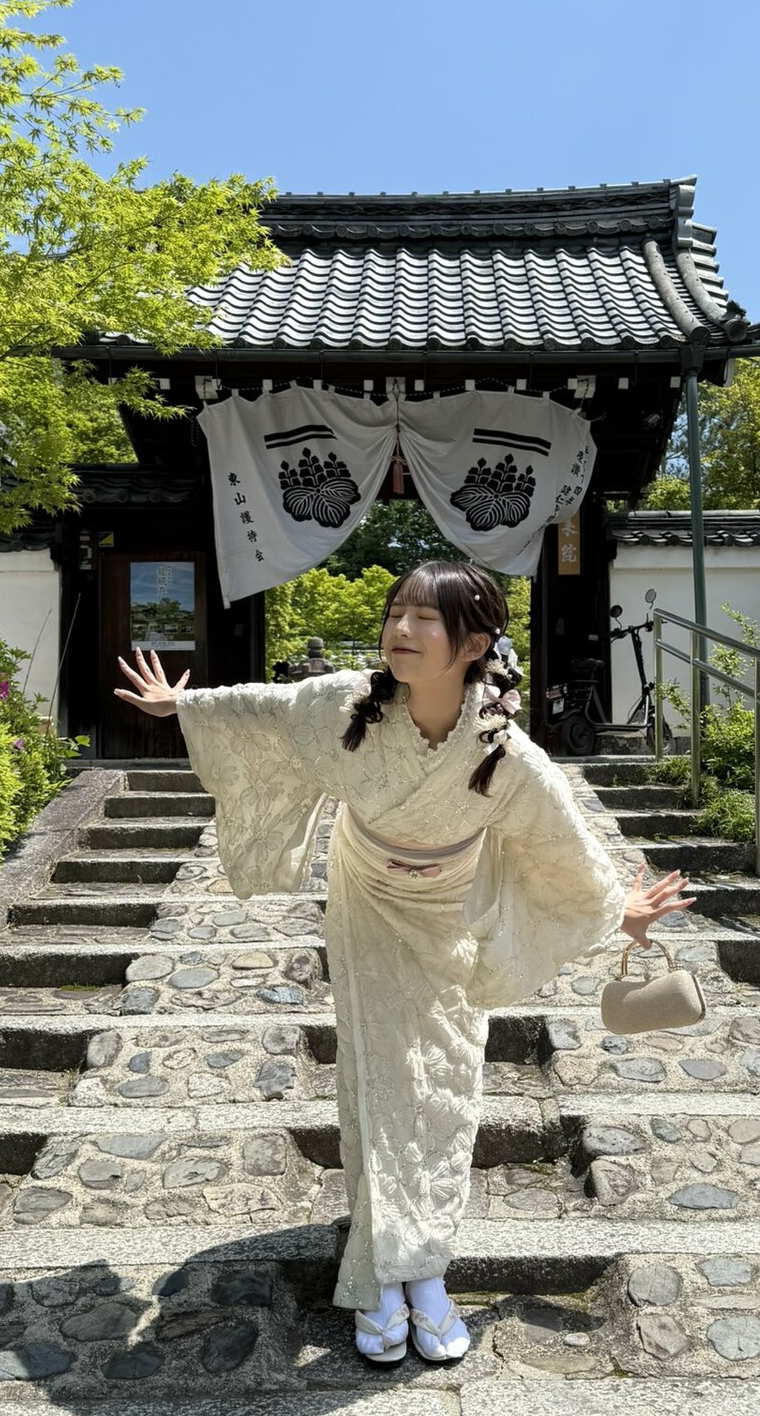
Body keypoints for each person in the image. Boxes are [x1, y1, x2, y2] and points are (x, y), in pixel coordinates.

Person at [114, 561, 692, 1366]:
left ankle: (412, 1262)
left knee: (445, 1085)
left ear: (475, 645)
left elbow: (563, 847)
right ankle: (403, 1277)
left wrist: (617, 911)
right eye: (396, 612)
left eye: (426, 618)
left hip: (449, 914)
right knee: (380, 1074)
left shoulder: (508, 756)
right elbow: (267, 709)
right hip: (366, 901)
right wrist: (183, 705)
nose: (401, 628)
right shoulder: (344, 703)